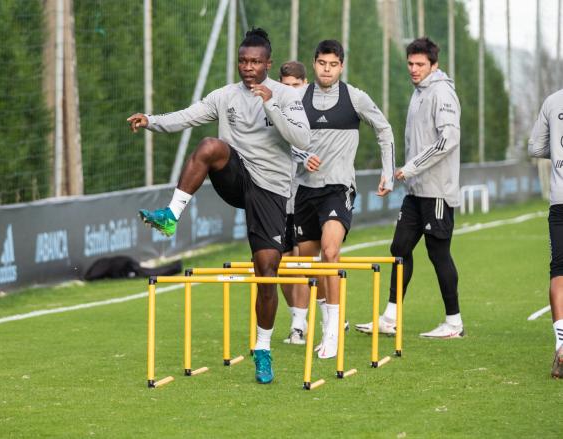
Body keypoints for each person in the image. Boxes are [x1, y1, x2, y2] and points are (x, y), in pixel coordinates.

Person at [127, 28, 311, 384]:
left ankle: (262, 349)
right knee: (211, 144)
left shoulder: (287, 95)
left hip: (271, 190)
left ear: (268, 64)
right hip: (237, 178)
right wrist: (151, 121)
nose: (248, 67)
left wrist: (269, 102)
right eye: (243, 60)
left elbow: (302, 138)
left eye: (256, 61)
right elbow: (186, 116)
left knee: (267, 274)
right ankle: (170, 216)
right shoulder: (224, 96)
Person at [293, 39, 395, 359]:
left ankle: (333, 334)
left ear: (341, 65)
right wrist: (301, 154)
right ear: (314, 64)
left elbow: (384, 129)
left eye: (333, 64)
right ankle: (328, 324)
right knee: (313, 264)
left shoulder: (355, 97)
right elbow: (280, 135)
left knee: (330, 251)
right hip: (305, 191)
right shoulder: (298, 98)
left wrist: (388, 171)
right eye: (322, 63)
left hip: (338, 188)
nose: (327, 69)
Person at [355, 37, 463, 339]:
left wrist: (411, 166)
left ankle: (454, 322)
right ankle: (390, 318)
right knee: (399, 248)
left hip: (437, 190)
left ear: (434, 65)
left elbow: (447, 140)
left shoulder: (441, 92)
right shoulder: (419, 92)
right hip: (416, 191)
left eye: (420, 64)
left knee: (438, 252)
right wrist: (397, 174)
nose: (414, 69)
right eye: (410, 64)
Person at [278, 61, 317, 345]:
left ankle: (302, 324)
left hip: (307, 196)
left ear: (304, 84)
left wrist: (306, 157)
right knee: (278, 264)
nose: (291, 91)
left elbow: (306, 146)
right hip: (279, 196)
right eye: (286, 85)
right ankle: (297, 318)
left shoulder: (312, 110)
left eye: (295, 85)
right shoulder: (276, 109)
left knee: (304, 262)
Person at [527, 88, 563, 378]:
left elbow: (535, 148)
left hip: (560, 200)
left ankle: (562, 346)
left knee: (559, 274)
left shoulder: (553, 100)